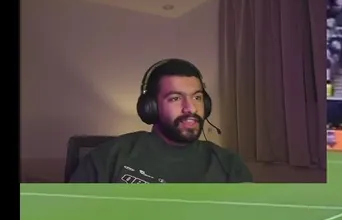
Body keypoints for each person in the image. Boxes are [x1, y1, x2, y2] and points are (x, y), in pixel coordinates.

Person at [70, 59, 254, 183]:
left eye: (197, 97)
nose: (191, 108)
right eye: (175, 98)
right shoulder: (109, 156)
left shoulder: (229, 166)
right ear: (151, 106)